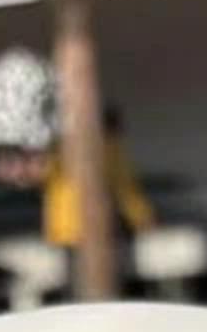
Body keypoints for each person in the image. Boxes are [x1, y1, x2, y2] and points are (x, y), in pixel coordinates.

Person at [41, 105, 155, 291]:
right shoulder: (108, 149)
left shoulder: (59, 148)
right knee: (113, 281)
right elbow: (124, 187)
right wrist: (142, 217)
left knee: (76, 283)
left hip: (66, 230)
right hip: (97, 228)